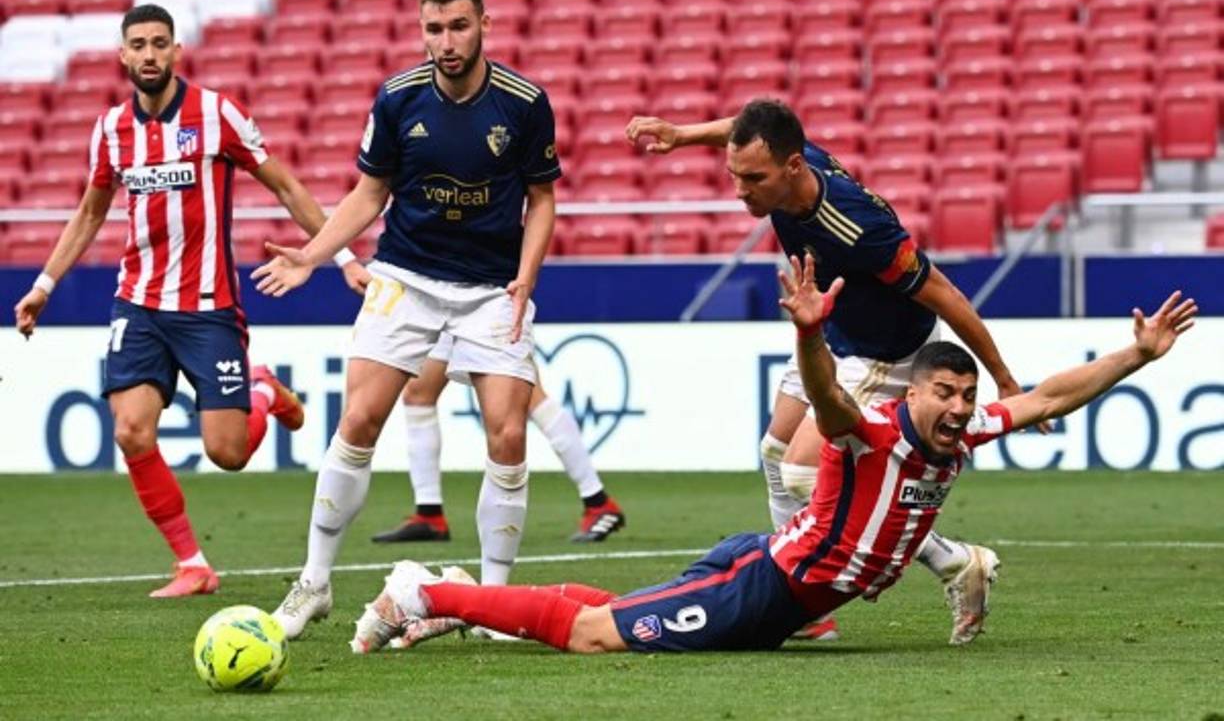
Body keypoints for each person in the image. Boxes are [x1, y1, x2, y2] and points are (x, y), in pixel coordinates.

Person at [348, 254, 1197, 654]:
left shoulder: (963, 434)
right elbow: (828, 403)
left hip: (772, 588)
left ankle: (448, 601)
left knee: (617, 608)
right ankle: (421, 589)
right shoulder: (873, 430)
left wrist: (1138, 356)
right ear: (914, 394)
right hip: (765, 587)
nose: (961, 410)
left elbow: (1048, 395)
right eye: (946, 395)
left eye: (967, 399)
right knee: (599, 633)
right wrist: (810, 336)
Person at [626, 100, 1034, 639]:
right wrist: (680, 135)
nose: (741, 190)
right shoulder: (789, 156)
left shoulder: (858, 228)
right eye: (734, 176)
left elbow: (948, 296)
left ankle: (953, 561)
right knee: (774, 453)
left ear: (792, 168)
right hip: (833, 331)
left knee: (800, 473)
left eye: (753, 179)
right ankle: (799, 607)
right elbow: (743, 128)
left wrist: (1003, 378)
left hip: (886, 350)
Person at [11, 4, 369, 598]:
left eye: (159, 43)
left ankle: (261, 390)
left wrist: (344, 260)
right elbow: (90, 212)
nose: (149, 55)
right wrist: (44, 286)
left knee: (227, 453)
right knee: (130, 430)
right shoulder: (109, 131)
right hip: (139, 304)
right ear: (122, 55)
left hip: (207, 307)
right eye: (138, 45)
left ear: (177, 51)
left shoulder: (217, 114)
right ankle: (193, 563)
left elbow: (284, 184)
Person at [252, 0, 561, 639]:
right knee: (359, 417)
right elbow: (369, 194)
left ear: (483, 24)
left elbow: (542, 199)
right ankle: (313, 583)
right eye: (434, 28)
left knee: (507, 434)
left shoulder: (524, 102)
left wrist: (527, 277)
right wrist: (313, 257)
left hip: (492, 288)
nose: (446, 42)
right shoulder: (398, 98)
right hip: (406, 275)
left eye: (458, 26)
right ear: (421, 29)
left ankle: (496, 607)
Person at [372, 333, 626, 544]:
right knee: (418, 394)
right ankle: (429, 515)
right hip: (447, 294)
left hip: (485, 297)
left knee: (530, 396)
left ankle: (599, 502)